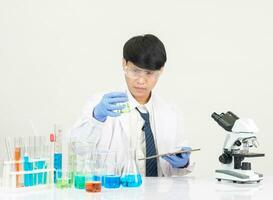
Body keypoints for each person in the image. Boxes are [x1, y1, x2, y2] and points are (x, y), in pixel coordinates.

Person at [70, 34, 194, 177]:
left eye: (149, 73)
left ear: (161, 71)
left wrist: (183, 163)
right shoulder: (100, 103)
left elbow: (180, 167)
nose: (141, 81)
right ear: (124, 64)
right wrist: (96, 118)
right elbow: (77, 147)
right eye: (135, 71)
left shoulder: (171, 112)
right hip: (114, 192)